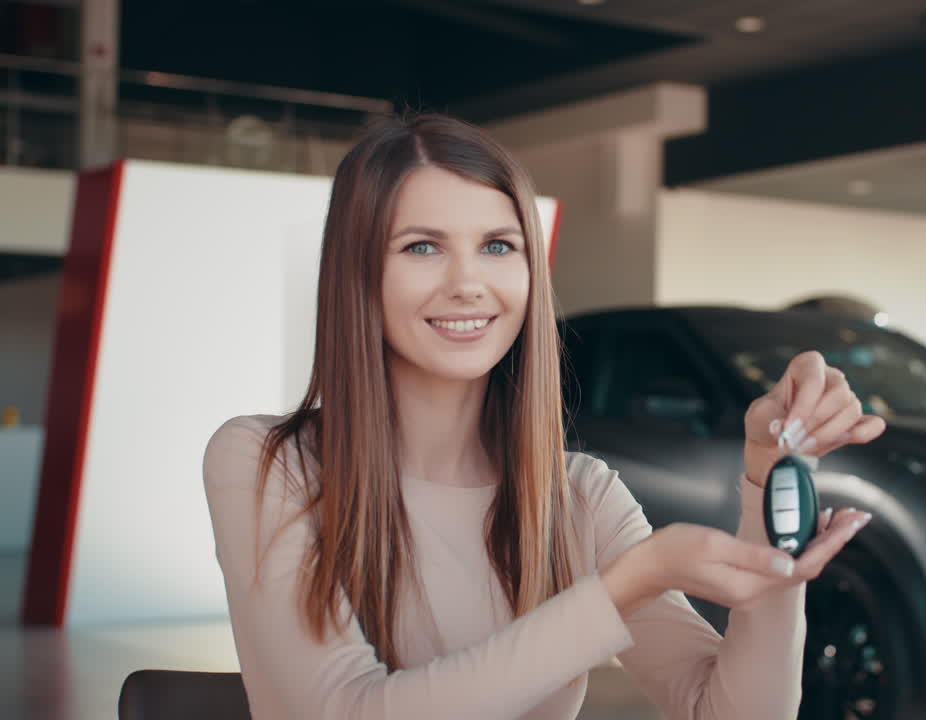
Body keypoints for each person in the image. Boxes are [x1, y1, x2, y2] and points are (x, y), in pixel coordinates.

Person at [202, 113, 886, 720]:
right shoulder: (265, 464)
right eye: (422, 246)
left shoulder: (580, 498)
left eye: (499, 246)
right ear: (359, 275)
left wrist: (770, 483)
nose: (468, 282)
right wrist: (622, 588)